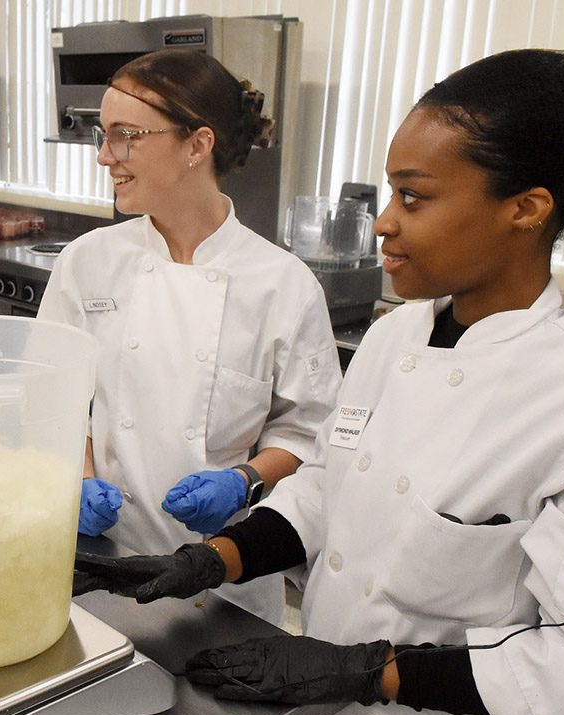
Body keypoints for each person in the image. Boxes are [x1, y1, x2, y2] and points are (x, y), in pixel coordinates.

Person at [70, 48, 564, 715]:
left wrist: (368, 672)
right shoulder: (397, 340)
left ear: (526, 209)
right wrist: (216, 559)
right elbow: (329, 489)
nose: (383, 223)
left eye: (413, 198)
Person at [37, 49, 341, 624]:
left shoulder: (283, 285)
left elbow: (311, 432)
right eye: (103, 136)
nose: (105, 156)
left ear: (197, 146)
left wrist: (244, 478)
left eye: (125, 136)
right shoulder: (86, 263)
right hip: (95, 562)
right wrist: (76, 480)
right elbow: (52, 397)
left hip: (221, 578)